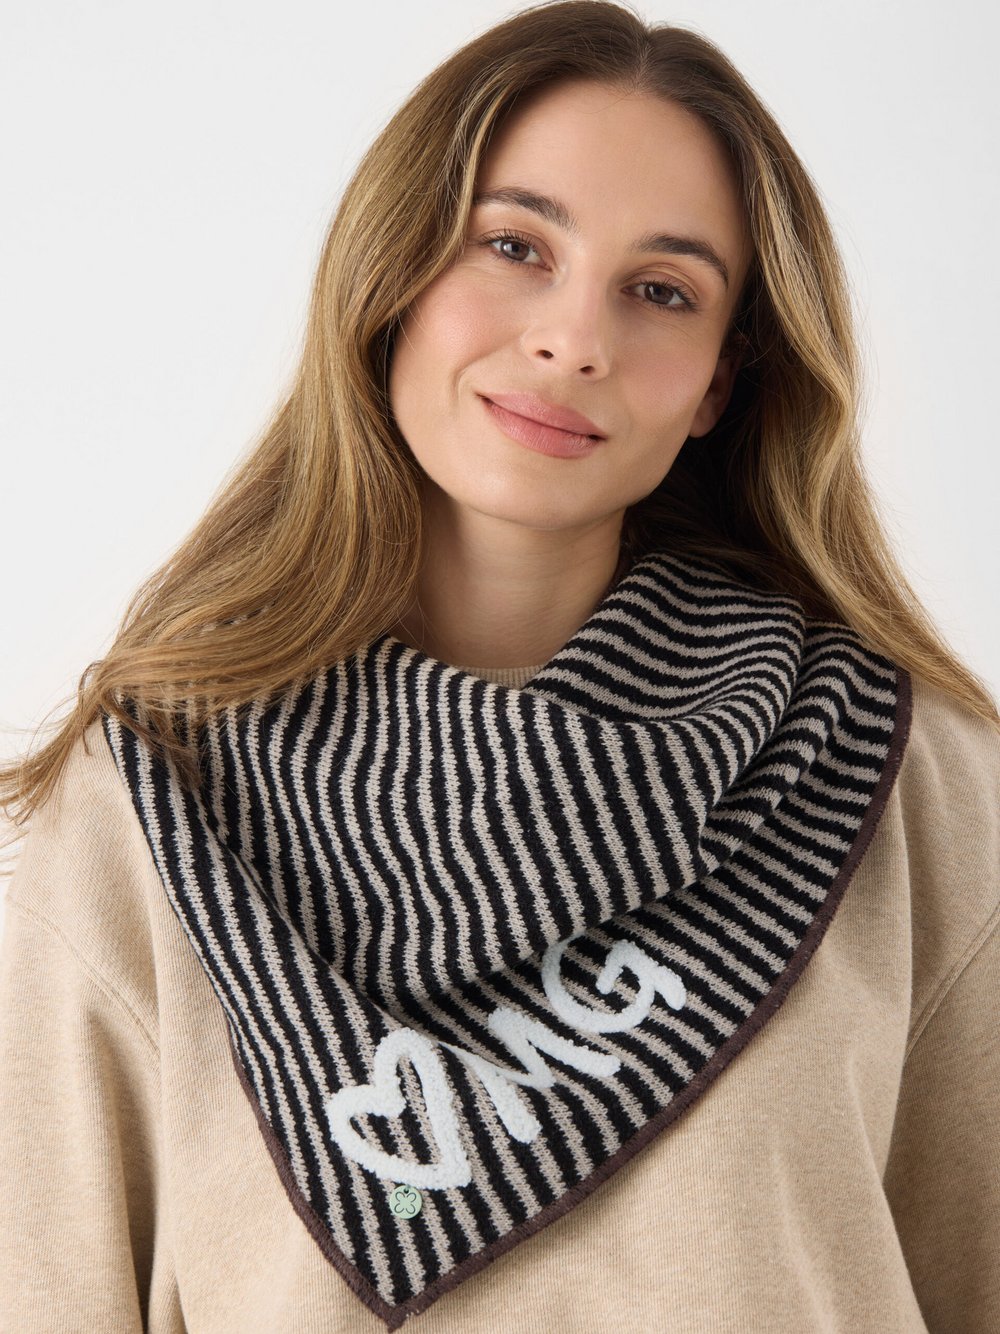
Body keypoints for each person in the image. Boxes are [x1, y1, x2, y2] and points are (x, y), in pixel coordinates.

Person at [1, 1, 997, 1330]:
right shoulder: (152, 800)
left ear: (719, 381)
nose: (574, 338)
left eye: (662, 290)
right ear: (396, 277)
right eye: (517, 246)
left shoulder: (904, 774)